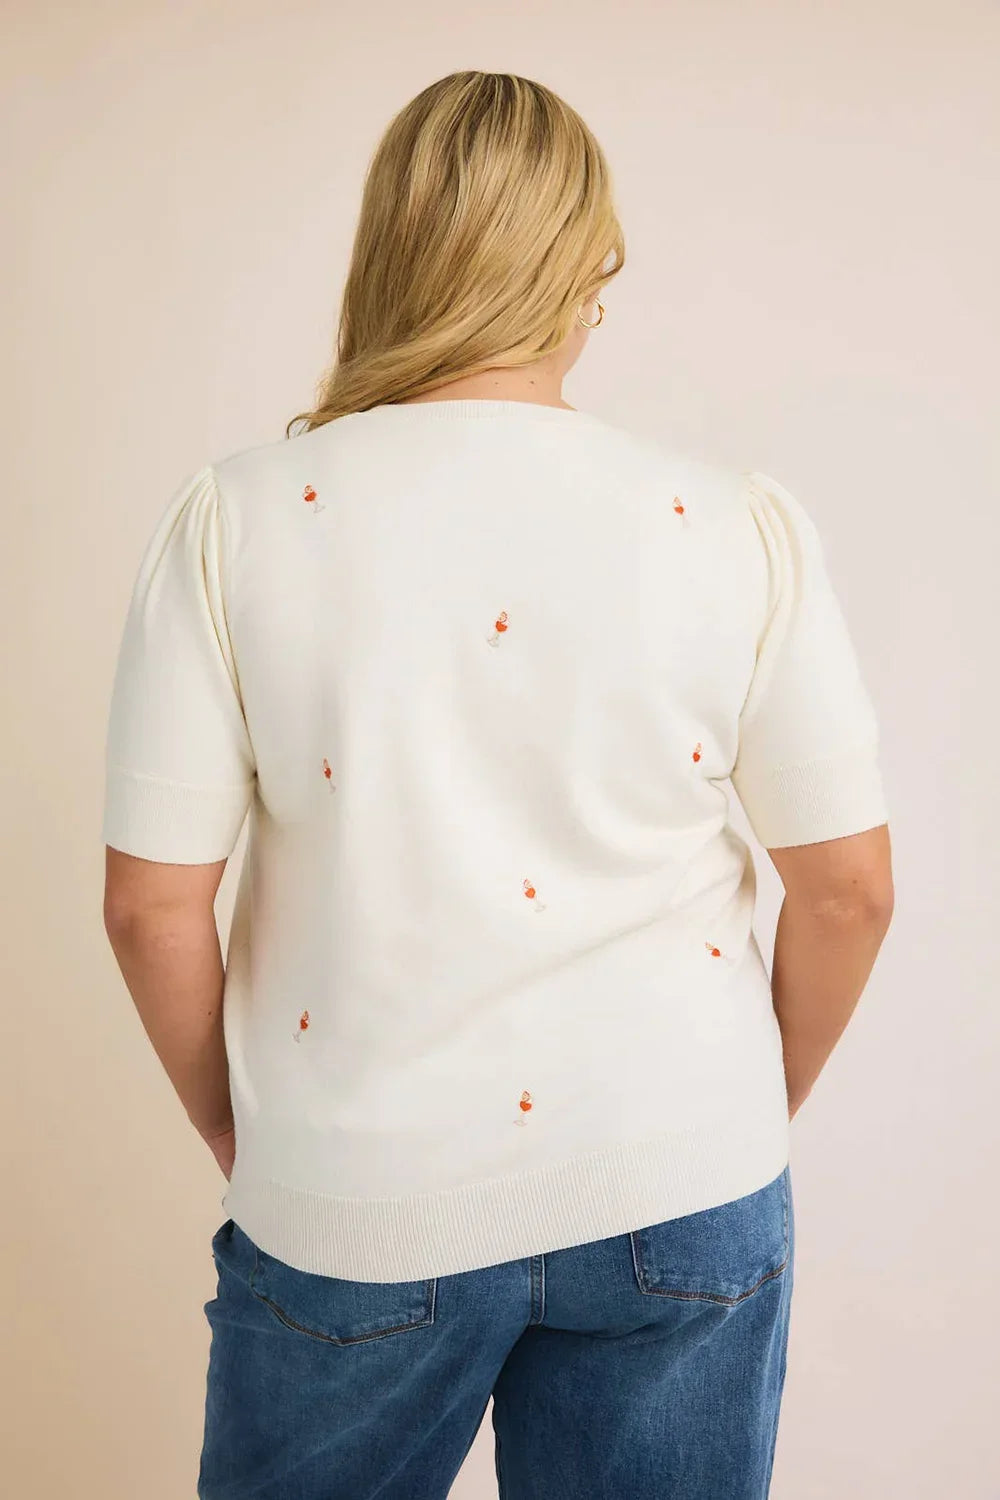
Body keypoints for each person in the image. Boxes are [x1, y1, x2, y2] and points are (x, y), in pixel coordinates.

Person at [100, 69, 894, 1500]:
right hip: (680, 1176)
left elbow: (151, 907)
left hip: (355, 1187)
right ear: (585, 269)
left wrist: (243, 1128)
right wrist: (726, 1112)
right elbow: (849, 890)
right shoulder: (733, 525)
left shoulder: (239, 521)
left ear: (391, 250)